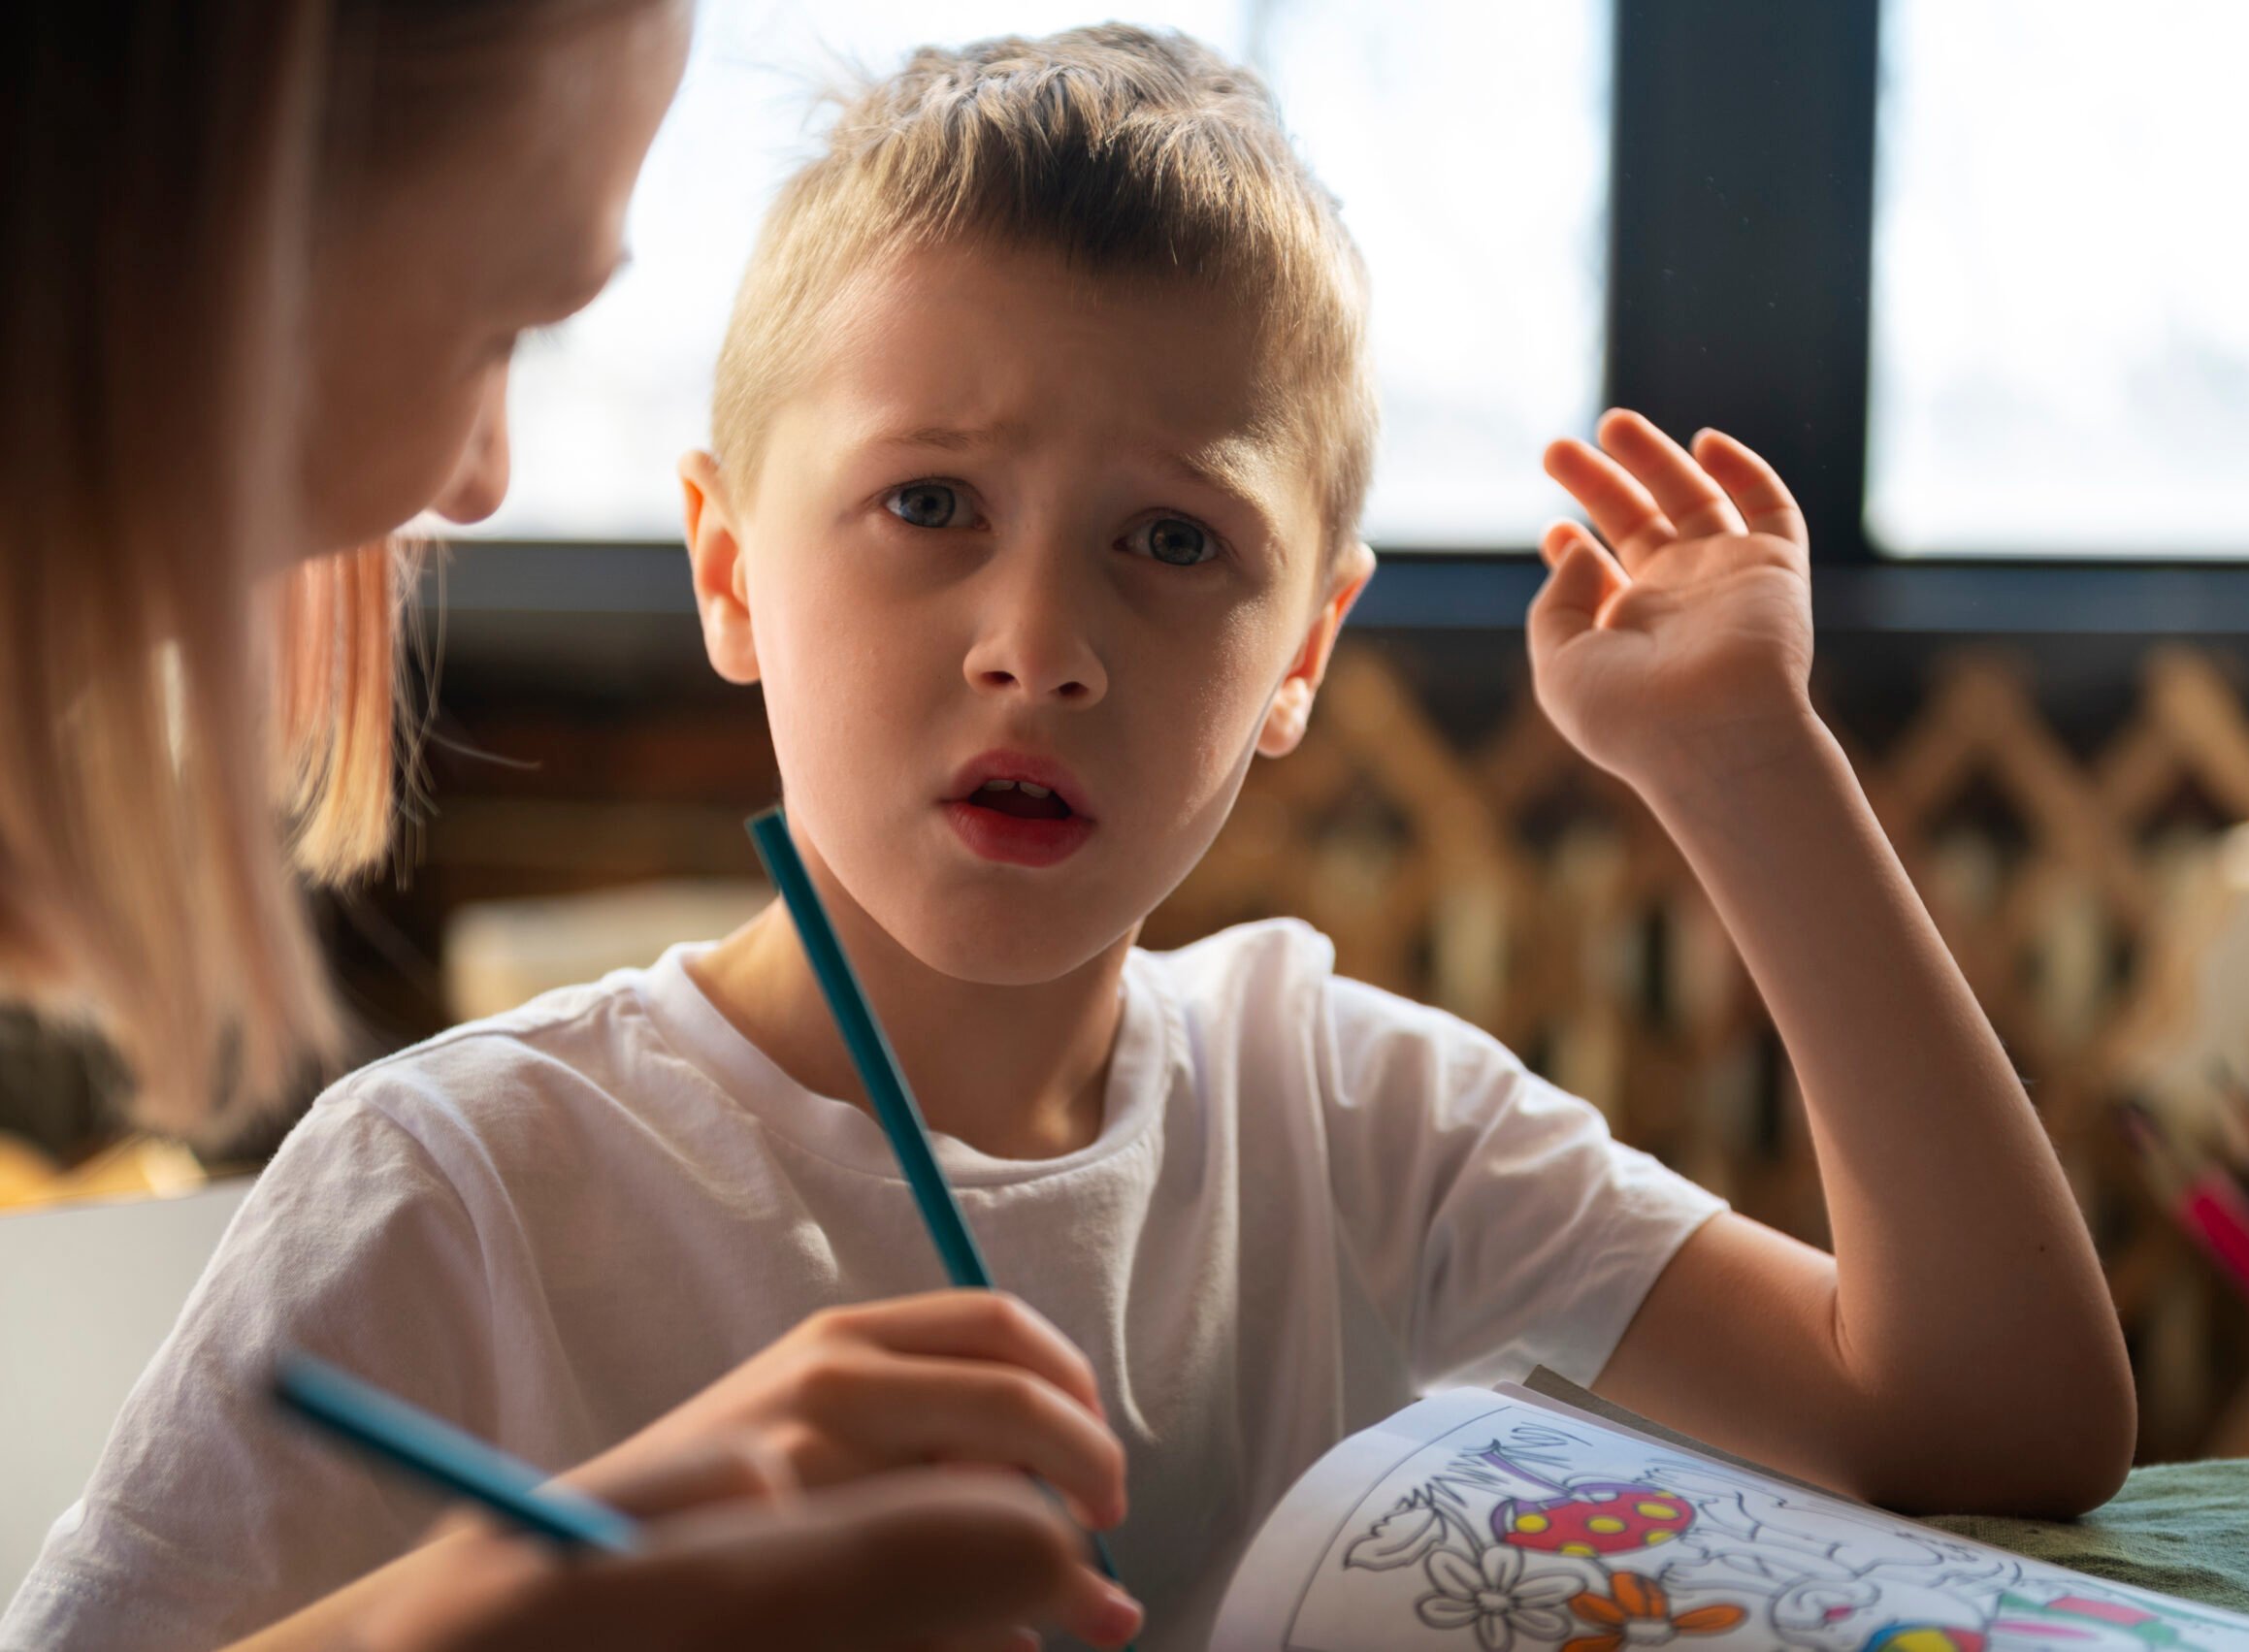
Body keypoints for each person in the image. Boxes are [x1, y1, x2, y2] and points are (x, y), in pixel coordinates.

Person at [9, 20, 2138, 1651]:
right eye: (928, 504)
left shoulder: (1348, 1112)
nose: (1041, 646)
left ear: (1305, 648)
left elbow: (1993, 1425)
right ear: (728, 571)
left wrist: (1745, 773)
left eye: (1170, 541)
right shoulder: (460, 1190)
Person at [0, 4, 1137, 1648]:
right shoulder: (440, 1184)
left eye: (1170, 537)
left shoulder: (1318, 1086)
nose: (478, 478)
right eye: (503, 327)